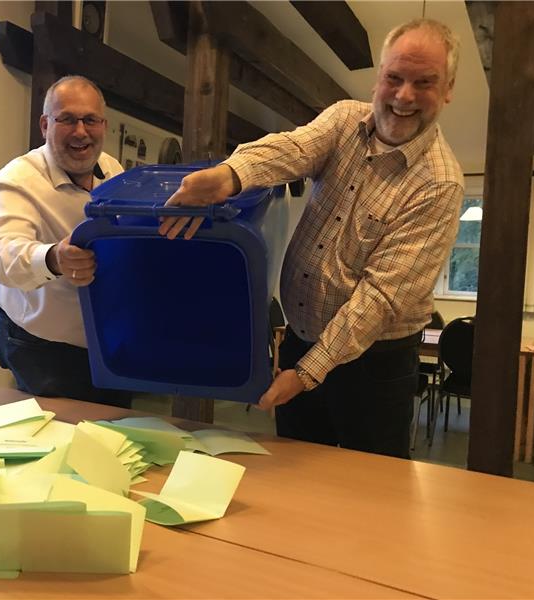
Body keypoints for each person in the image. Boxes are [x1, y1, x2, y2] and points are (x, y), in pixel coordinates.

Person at [159, 19, 464, 458]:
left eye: (424, 83)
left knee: (371, 488)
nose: (403, 96)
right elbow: (293, 149)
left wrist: (306, 373)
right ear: (379, 75)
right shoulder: (344, 120)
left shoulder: (440, 184)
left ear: (448, 89)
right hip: (301, 337)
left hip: (375, 363)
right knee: (295, 467)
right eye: (394, 78)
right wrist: (230, 174)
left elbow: (378, 299)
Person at [0, 75, 131, 408]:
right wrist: (53, 258)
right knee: (58, 443)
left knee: (115, 437)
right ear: (45, 124)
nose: (81, 131)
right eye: (67, 119)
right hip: (42, 348)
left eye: (90, 120)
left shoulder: (111, 167)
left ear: (103, 125)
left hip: (107, 340)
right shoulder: (15, 181)